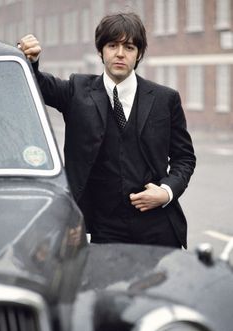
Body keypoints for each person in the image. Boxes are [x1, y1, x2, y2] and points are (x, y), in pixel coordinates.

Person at [19, 12, 196, 248]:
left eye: (129, 47)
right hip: (102, 229)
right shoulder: (77, 91)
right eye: (112, 45)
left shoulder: (165, 99)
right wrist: (30, 60)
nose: (120, 53)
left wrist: (166, 191)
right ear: (101, 51)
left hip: (157, 227)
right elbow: (37, 83)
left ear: (139, 54)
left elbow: (184, 157)